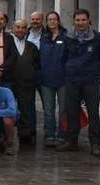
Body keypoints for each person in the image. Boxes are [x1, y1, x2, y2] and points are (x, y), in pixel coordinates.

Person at [57, 9, 100, 156]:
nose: (80, 23)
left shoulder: (99, 38)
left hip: (90, 81)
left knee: (93, 113)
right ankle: (71, 141)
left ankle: (95, 143)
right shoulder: (67, 38)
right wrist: (68, 71)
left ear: (88, 20)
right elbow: (63, 58)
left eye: (83, 20)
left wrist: (95, 70)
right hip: (72, 80)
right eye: (78, 20)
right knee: (72, 111)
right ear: (74, 21)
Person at [39, 11, 68, 147]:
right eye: (49, 19)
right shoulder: (43, 37)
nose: (52, 21)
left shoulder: (66, 36)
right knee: (49, 109)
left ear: (58, 20)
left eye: (54, 19)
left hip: (63, 79)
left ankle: (62, 135)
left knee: (63, 109)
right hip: (46, 79)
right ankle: (50, 135)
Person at [9, 19, 40, 145]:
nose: (20, 30)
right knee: (9, 108)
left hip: (26, 83)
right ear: (13, 28)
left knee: (27, 108)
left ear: (26, 30)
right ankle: (6, 136)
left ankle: (26, 134)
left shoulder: (32, 47)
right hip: (10, 81)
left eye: (23, 27)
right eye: (18, 27)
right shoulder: (7, 43)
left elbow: (37, 64)